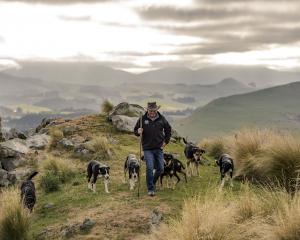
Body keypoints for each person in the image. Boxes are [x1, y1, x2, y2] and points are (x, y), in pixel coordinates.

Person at [134, 102, 172, 196]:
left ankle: (152, 183)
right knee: (150, 167)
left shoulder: (161, 118)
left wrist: (165, 142)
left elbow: (168, 129)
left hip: (159, 148)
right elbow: (135, 130)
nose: (152, 112)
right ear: (147, 110)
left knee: (160, 168)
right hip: (147, 148)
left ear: (156, 110)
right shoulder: (143, 119)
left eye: (154, 110)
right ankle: (150, 189)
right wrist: (138, 131)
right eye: (150, 110)